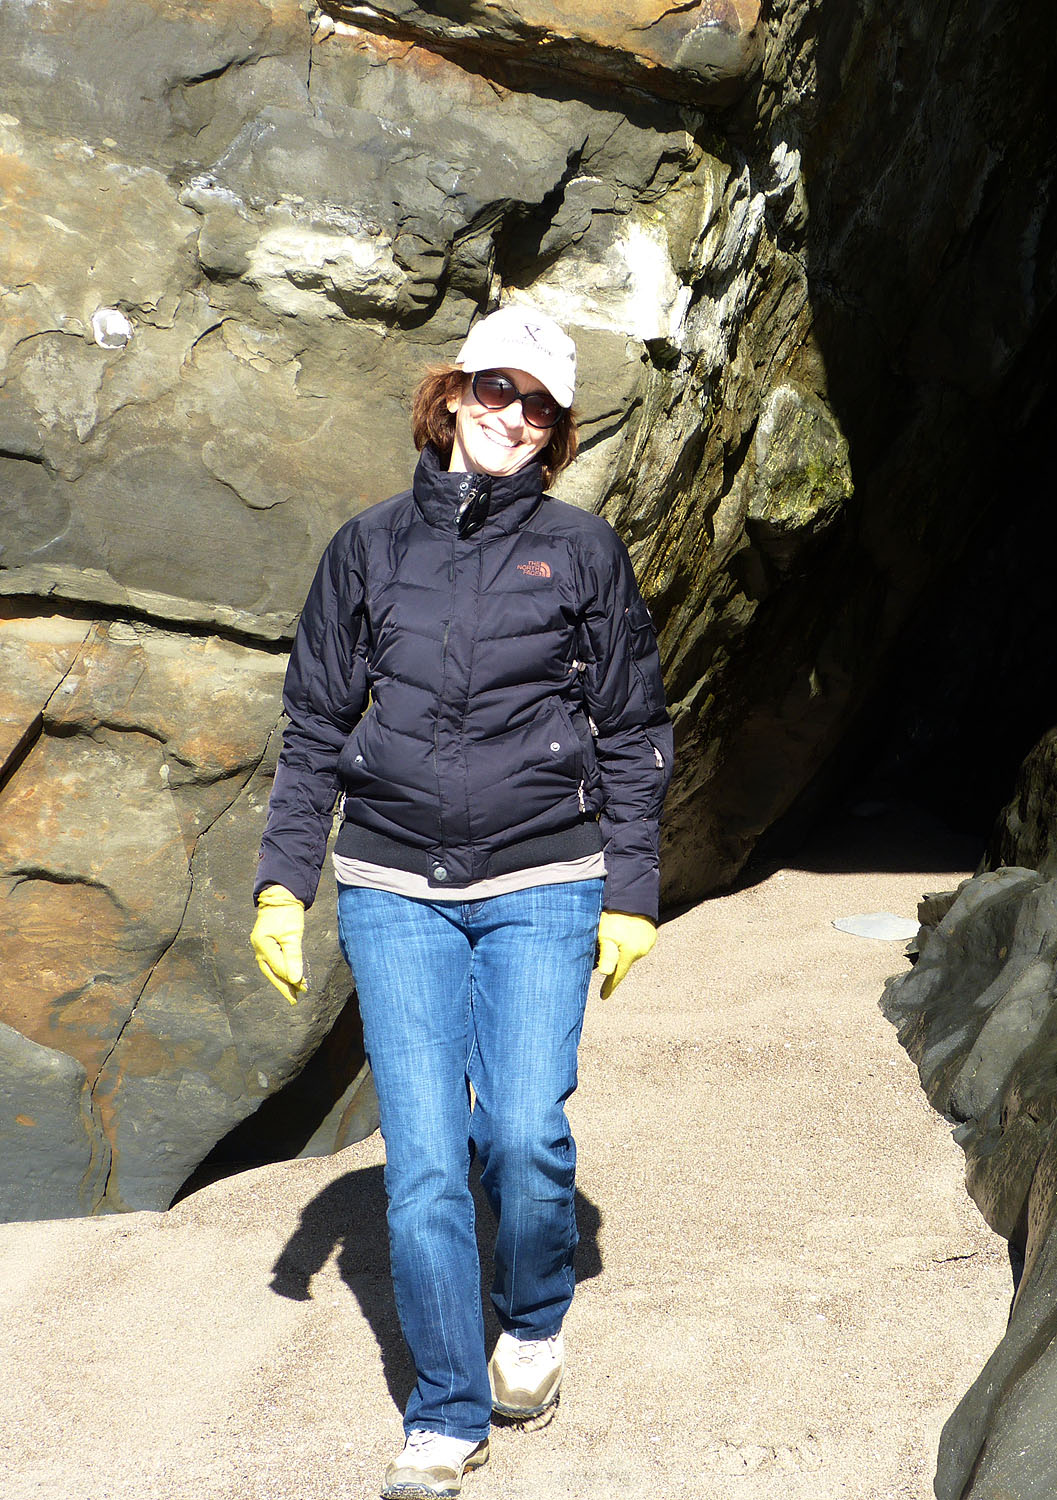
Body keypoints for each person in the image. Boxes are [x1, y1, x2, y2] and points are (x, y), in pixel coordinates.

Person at [248, 305, 672, 1500]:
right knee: (426, 1163)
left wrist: (631, 892)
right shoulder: (366, 548)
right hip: (394, 888)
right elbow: (315, 723)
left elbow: (633, 727)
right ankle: (443, 1416)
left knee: (524, 1132)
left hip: (544, 878)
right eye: (496, 389)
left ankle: (531, 1320)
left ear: (556, 430)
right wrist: (283, 881)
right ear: (450, 396)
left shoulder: (580, 552)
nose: (513, 417)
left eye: (539, 405)